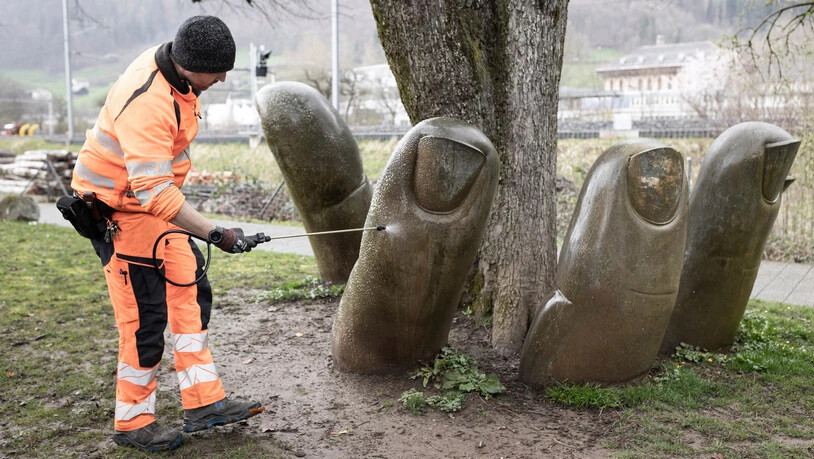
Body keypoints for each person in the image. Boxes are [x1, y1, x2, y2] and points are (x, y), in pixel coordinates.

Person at [70, 15, 265, 452]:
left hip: (152, 204)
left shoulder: (180, 76)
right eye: (218, 72)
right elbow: (154, 192)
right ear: (192, 65)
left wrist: (209, 231)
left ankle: (204, 403)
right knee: (145, 321)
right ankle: (133, 422)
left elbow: (159, 185)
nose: (222, 79)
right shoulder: (147, 100)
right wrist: (217, 233)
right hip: (119, 213)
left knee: (190, 294)